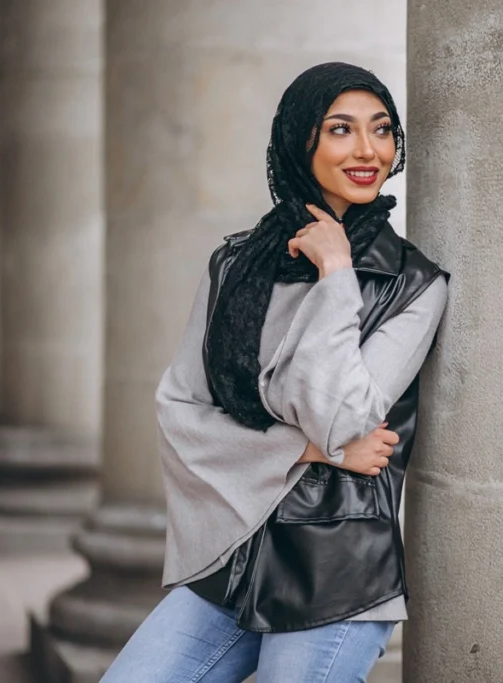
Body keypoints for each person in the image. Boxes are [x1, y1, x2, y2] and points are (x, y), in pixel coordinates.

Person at [100, 62, 448, 682]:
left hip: (335, 566)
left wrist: (338, 272)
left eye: (382, 129)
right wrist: (308, 449)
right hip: (232, 551)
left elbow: (344, 416)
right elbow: (180, 410)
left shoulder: (413, 284)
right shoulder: (234, 264)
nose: (368, 149)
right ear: (299, 139)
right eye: (341, 128)